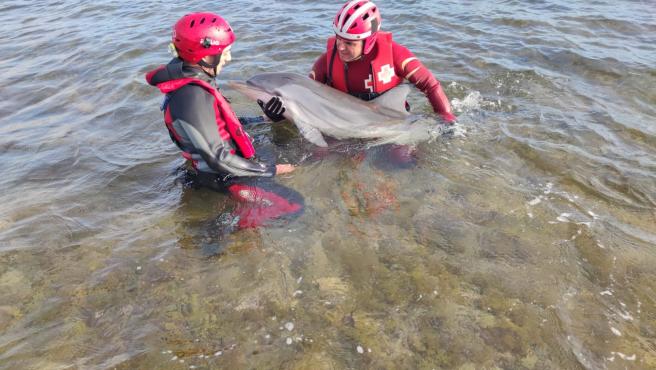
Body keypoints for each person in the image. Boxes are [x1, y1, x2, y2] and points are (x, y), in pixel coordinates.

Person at [145, 12, 302, 228]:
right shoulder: (192, 96)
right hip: (224, 177)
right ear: (205, 56)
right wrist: (271, 169)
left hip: (213, 168)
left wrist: (264, 119)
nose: (228, 58)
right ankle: (240, 235)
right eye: (224, 52)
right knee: (294, 206)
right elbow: (218, 158)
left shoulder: (192, 83)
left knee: (286, 142)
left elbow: (223, 126)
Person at [308, 0, 456, 124]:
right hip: (346, 124)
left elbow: (430, 85)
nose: (340, 47)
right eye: (338, 38)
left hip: (390, 123)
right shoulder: (328, 60)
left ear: (368, 41)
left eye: (349, 43)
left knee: (401, 158)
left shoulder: (396, 55)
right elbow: (303, 93)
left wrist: (447, 120)